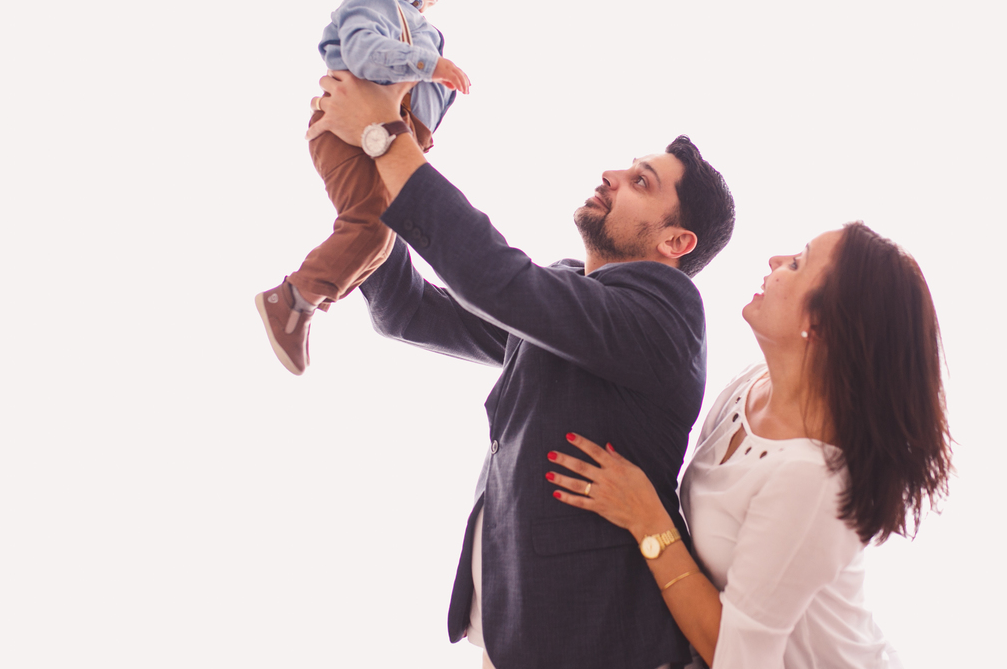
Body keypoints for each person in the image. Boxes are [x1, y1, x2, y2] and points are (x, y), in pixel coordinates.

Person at [306, 69, 737, 669]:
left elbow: (494, 278)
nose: (611, 176)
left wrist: (385, 137)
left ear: (675, 243)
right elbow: (409, 310)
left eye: (641, 181)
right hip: (516, 635)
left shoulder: (664, 316)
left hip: (598, 649)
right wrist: (359, 180)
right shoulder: (571, 298)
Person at [547, 223, 953, 668]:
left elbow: (739, 661)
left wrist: (648, 522)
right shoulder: (753, 384)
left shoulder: (810, 479)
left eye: (796, 264)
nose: (775, 261)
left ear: (819, 324)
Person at [255, 0, 471, 376]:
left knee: (384, 234)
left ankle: (304, 301)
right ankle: (294, 299)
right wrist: (429, 64)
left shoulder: (411, 17)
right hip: (348, 131)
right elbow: (361, 52)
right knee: (372, 226)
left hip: (382, 134)